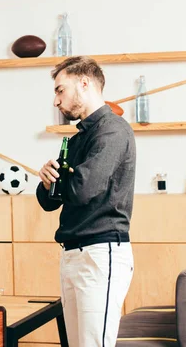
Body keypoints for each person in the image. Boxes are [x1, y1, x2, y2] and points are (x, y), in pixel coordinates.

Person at [36, 56, 136, 347]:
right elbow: (50, 201)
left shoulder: (113, 130)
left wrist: (59, 179)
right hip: (73, 254)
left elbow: (82, 190)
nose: (56, 100)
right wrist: (46, 180)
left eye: (59, 90)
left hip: (99, 254)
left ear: (84, 83)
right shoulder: (79, 138)